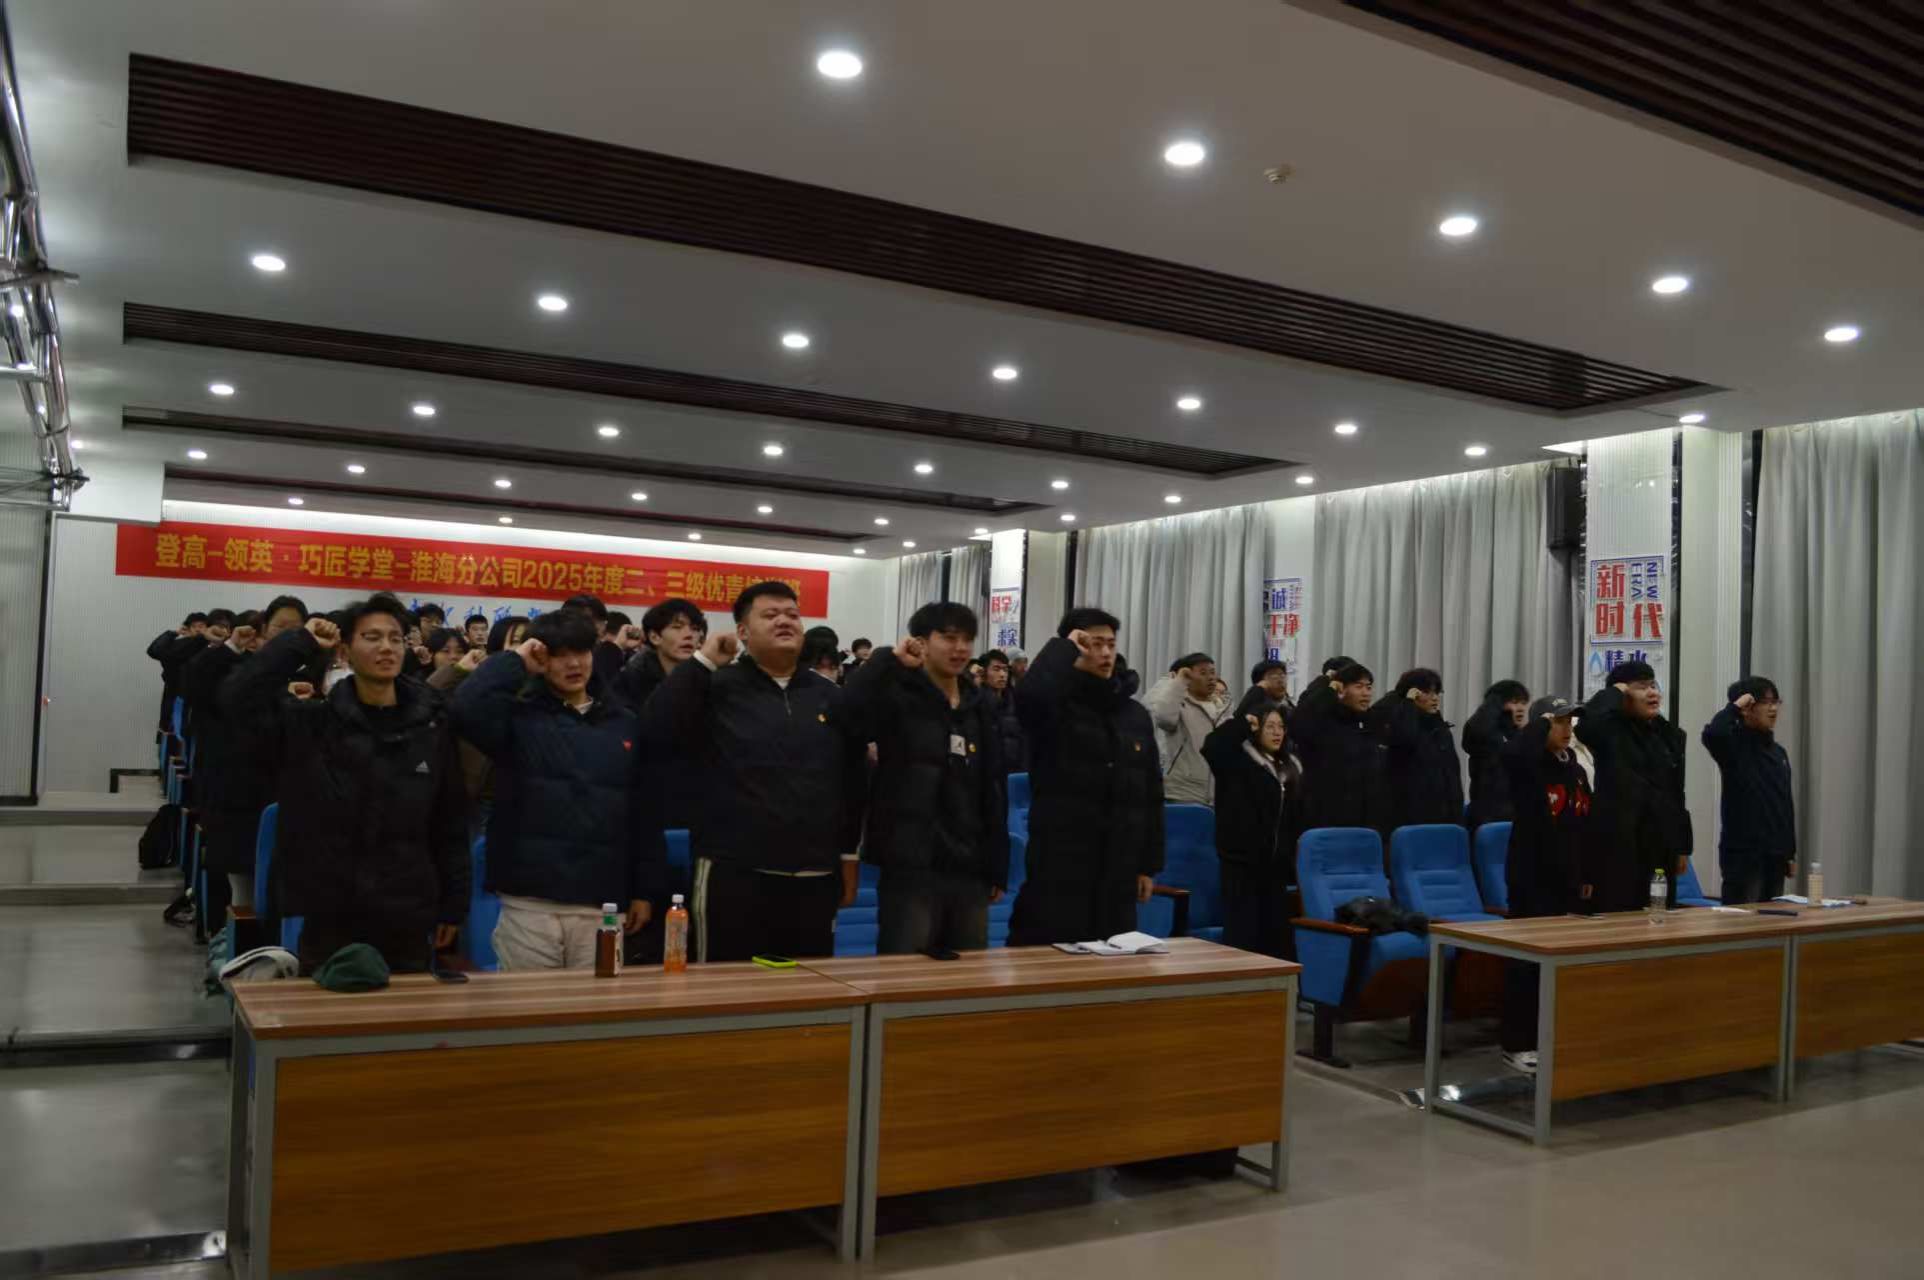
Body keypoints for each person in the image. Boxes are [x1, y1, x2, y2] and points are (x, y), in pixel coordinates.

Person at [222, 596, 468, 974]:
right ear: (345, 650)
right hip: (331, 913)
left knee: (407, 1007)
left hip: (407, 910)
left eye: (395, 638)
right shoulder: (314, 724)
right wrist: (300, 642)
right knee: (330, 1006)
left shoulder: (430, 726)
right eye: (372, 637)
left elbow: (449, 821)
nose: (386, 647)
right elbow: (238, 698)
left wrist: (453, 904)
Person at [642, 582, 867, 962]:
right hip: (733, 871)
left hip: (815, 874)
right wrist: (702, 662)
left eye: (792, 615)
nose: (784, 621)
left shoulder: (831, 696)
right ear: (742, 632)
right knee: (728, 986)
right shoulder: (716, 686)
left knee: (808, 986)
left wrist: (848, 856)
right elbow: (654, 727)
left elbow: (853, 779)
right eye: (770, 615)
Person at [451, 610, 664, 969]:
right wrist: (516, 661)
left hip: (602, 899)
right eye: (560, 655)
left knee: (599, 1001)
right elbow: (464, 708)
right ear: (541, 658)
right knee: (531, 1001)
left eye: (581, 652)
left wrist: (645, 890)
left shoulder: (625, 723)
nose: (574, 664)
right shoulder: (517, 717)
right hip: (530, 899)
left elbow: (644, 810)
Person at [841, 603, 1009, 953]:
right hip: (910, 863)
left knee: (970, 968)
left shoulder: (979, 705)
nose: (960, 648)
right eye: (949, 638)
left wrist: (996, 862)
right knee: (906, 968)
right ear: (920, 642)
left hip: (970, 863)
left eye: (967, 639)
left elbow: (992, 788)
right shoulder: (897, 696)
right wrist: (887, 659)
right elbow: (846, 716)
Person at [1007, 608, 1163, 946]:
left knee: (1115, 957)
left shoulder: (1134, 713)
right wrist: (1063, 647)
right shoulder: (1056, 705)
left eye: (1110, 644)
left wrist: (1146, 865)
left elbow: (1150, 792)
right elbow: (1029, 697)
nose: (1105, 653)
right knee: (1049, 956)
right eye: (1093, 644)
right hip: (1062, 862)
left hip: (1119, 865)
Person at [178, 595, 310, 922]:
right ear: (262, 631)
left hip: (289, 799)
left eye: (296, 629)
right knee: (245, 895)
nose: (288, 636)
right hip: (239, 797)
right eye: (280, 627)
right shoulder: (238, 670)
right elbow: (194, 683)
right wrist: (230, 647)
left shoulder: (307, 675)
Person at [1498, 695, 1595, 1072]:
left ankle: (1551, 1037)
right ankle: (1517, 1044)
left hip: (1567, 878)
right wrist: (1538, 725)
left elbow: (1585, 824)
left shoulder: (1575, 769)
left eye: (1570, 722)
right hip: (1531, 876)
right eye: (1558, 722)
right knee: (1526, 963)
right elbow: (1514, 753)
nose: (1567, 729)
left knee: (1560, 962)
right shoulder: (1528, 765)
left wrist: (1586, 874)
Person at [1577, 661, 1692, 911]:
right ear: (1623, 695)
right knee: (1622, 915)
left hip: (1661, 843)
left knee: (1661, 913)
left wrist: (1683, 845)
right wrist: (1613, 692)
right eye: (1642, 687)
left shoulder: (1669, 734)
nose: (1652, 693)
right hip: (1621, 843)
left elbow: (1677, 792)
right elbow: (1586, 726)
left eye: (1653, 686)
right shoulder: (1610, 731)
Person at [1202, 705, 1304, 959]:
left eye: (1281, 727)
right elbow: (1212, 746)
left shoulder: (1290, 767)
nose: (1277, 732)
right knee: (1243, 934)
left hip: (1277, 866)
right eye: (1270, 726)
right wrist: (1243, 723)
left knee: (1276, 936)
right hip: (1241, 863)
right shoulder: (1237, 761)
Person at [1701, 677, 1795, 904]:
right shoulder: (1733, 746)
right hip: (1743, 857)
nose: (1773, 709)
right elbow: (1713, 734)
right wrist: (1734, 707)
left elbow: (1785, 804)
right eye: (1765, 702)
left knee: (1775, 919)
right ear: (1747, 707)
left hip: (1775, 856)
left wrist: (1790, 852)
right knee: (1741, 920)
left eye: (1775, 702)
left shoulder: (1779, 753)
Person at [1289, 661, 1386, 833]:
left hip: (1365, 816)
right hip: (1326, 814)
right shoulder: (1323, 721)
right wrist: (1329, 689)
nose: (1366, 693)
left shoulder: (1368, 722)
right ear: (1341, 689)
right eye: (1358, 686)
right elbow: (1299, 722)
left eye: (1369, 687)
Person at [1373, 668, 1463, 831]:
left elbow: (1452, 771)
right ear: (1413, 694)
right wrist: (1408, 704)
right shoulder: (1398, 723)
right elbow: (1406, 739)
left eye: (1437, 692)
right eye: (1427, 692)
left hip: (1445, 812)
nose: (1434, 698)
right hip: (1411, 812)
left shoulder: (1439, 727)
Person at [1145, 652, 1232, 805]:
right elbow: (1164, 718)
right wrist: (1179, 681)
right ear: (1188, 677)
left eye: (1212, 672)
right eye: (1203, 673)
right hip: (1183, 793)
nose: (1211, 678)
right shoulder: (1179, 705)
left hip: (1218, 796)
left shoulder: (1222, 708)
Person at [1463, 680, 1531, 827]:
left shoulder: (1519, 736)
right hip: (1488, 817)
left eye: (1523, 703)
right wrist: (1492, 703)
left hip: (1517, 815)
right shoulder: (1484, 733)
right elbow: (1476, 731)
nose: (1520, 708)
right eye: (1514, 702)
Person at [562, 593, 627, 690]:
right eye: (589, 621)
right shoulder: (556, 652)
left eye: (601, 621)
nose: (598, 627)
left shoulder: (608, 651)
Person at [980, 648, 1027, 773]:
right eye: (996, 669)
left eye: (1005, 670)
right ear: (984, 672)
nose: (1002, 674)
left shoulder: (1015, 700)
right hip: (988, 772)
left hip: (1014, 771)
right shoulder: (977, 702)